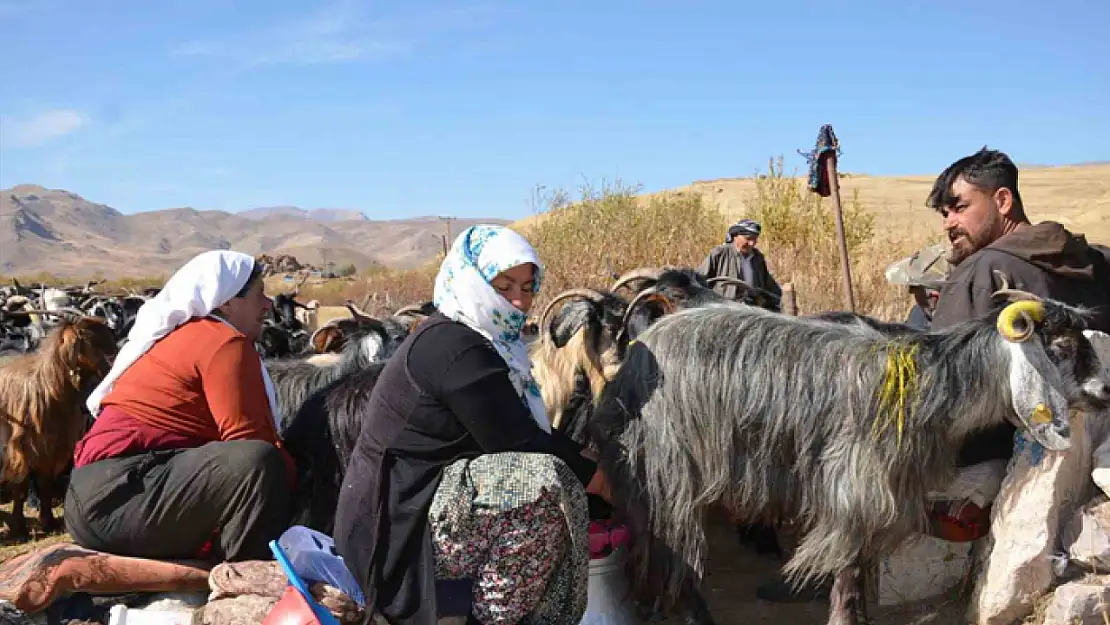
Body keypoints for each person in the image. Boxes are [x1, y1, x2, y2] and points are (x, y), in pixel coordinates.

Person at [333, 225, 611, 625]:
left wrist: (591, 460)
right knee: (539, 484)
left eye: (528, 287)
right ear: (472, 279)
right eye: (504, 285)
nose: (518, 300)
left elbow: (525, 427)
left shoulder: (485, 340)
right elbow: (518, 443)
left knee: (560, 472)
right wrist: (601, 479)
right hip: (394, 531)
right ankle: (488, 618)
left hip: (422, 505)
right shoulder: (455, 345)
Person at [64, 250, 294, 563]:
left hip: (96, 496)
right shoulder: (223, 343)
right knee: (259, 462)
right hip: (120, 498)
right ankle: (241, 575)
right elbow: (250, 440)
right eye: (258, 295)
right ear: (226, 301)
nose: (268, 304)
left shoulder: (182, 336)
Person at [696, 219, 782, 310]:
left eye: (755, 239)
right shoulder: (720, 253)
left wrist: (782, 298)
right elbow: (699, 278)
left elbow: (768, 283)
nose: (752, 243)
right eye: (748, 239)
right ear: (735, 236)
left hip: (753, 308)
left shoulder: (757, 257)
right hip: (725, 308)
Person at [883, 242, 949, 329]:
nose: (910, 292)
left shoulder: (958, 322)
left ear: (934, 297)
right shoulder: (918, 314)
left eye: (913, 287)